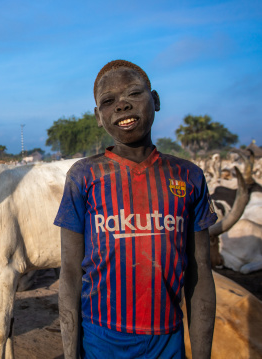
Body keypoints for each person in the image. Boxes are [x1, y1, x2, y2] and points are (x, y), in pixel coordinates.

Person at [55, 60, 217, 359]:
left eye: (133, 93)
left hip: (167, 340)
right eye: (108, 101)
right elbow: (70, 273)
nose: (122, 105)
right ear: (98, 117)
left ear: (154, 100)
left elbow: (201, 272)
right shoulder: (84, 176)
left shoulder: (187, 175)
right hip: (100, 338)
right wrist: (70, 352)